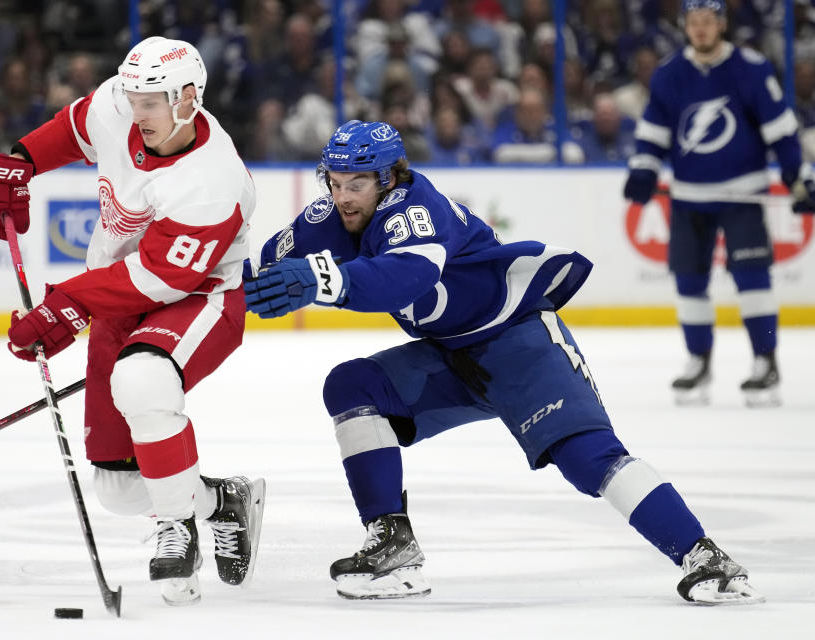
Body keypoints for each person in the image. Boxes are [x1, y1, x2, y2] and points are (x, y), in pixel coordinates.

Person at [244, 119, 763, 605]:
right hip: (451, 356)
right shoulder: (331, 215)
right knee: (352, 387)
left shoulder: (415, 207)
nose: (341, 198)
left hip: (520, 345)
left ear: (389, 179)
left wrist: (323, 281)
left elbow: (407, 277)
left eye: (355, 184)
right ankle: (392, 547)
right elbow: (262, 269)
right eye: (332, 182)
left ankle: (706, 557)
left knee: (588, 459)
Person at [0, 36, 265, 605]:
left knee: (143, 378)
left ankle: (176, 530)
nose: (136, 112)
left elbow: (162, 277)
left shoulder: (211, 181)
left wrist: (69, 301)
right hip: (118, 299)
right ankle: (222, 501)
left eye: (150, 102)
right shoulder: (121, 103)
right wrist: (21, 161)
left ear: (187, 98)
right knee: (119, 487)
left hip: (198, 300)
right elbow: (78, 125)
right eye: (132, 98)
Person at [623, 0, 815, 407]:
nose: (701, 29)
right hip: (690, 197)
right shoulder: (669, 74)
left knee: (752, 279)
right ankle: (698, 360)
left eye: (708, 21)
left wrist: (797, 175)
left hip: (741, 194)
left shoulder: (751, 67)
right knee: (689, 283)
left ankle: (765, 361)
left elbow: (780, 128)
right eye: (694, 22)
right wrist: (644, 169)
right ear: (685, 26)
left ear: (721, 24)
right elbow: (653, 132)